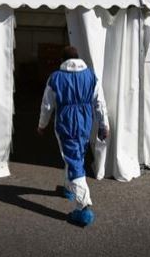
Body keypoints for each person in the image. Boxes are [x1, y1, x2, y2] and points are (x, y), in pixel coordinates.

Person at [37, 46, 109, 227]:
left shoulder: (55, 78)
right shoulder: (91, 76)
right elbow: (100, 102)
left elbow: (47, 105)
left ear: (63, 60)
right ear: (78, 58)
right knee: (77, 156)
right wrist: (103, 124)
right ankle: (69, 188)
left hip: (65, 123)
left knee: (74, 161)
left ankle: (83, 207)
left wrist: (42, 125)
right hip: (85, 122)